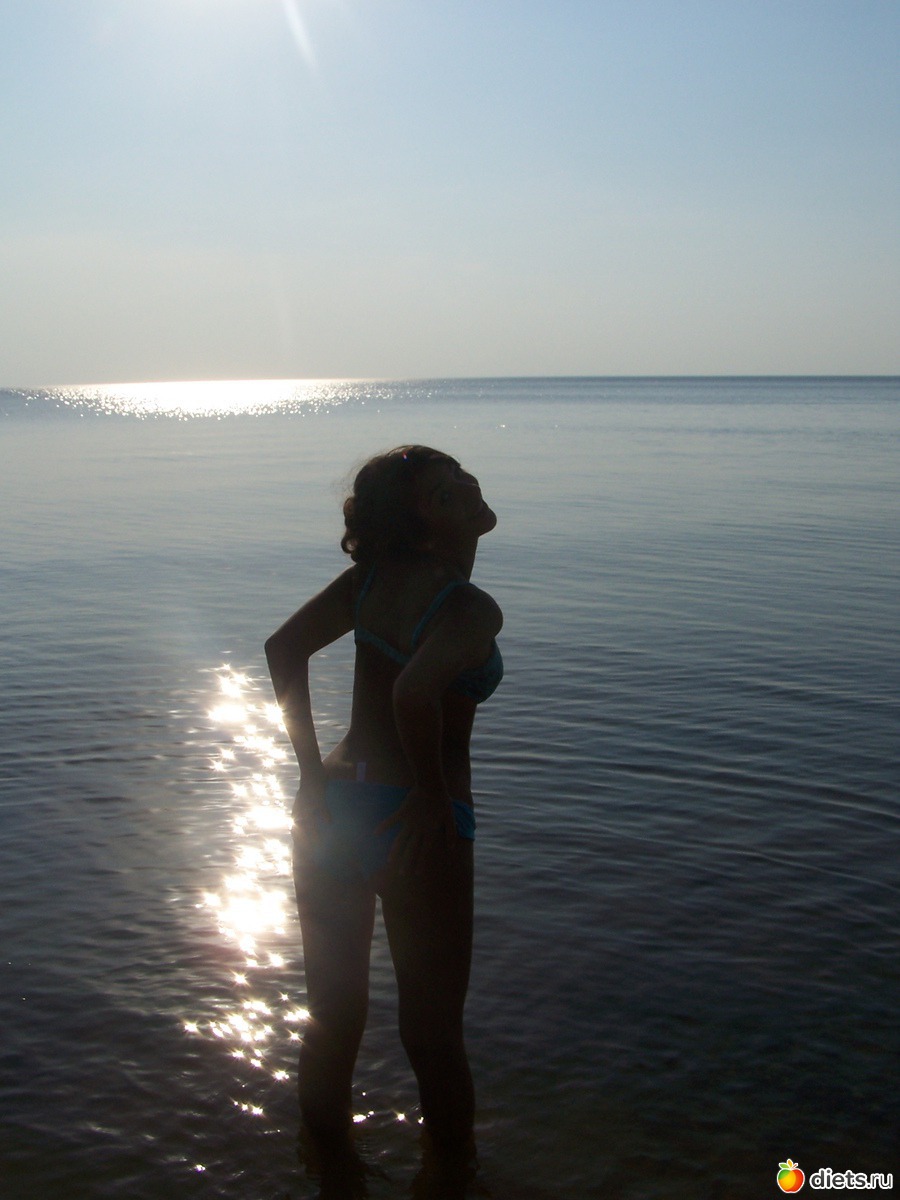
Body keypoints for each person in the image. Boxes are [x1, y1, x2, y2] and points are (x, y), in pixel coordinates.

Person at [264, 446, 503, 1197]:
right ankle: (451, 1179)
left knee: (332, 1018)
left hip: (334, 809)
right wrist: (431, 794)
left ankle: (329, 1172)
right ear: (425, 522)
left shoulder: (368, 582)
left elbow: (283, 647)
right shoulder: (468, 607)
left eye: (460, 472)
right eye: (447, 487)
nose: (469, 483)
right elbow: (414, 695)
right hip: (413, 820)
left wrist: (310, 773)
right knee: (433, 1035)